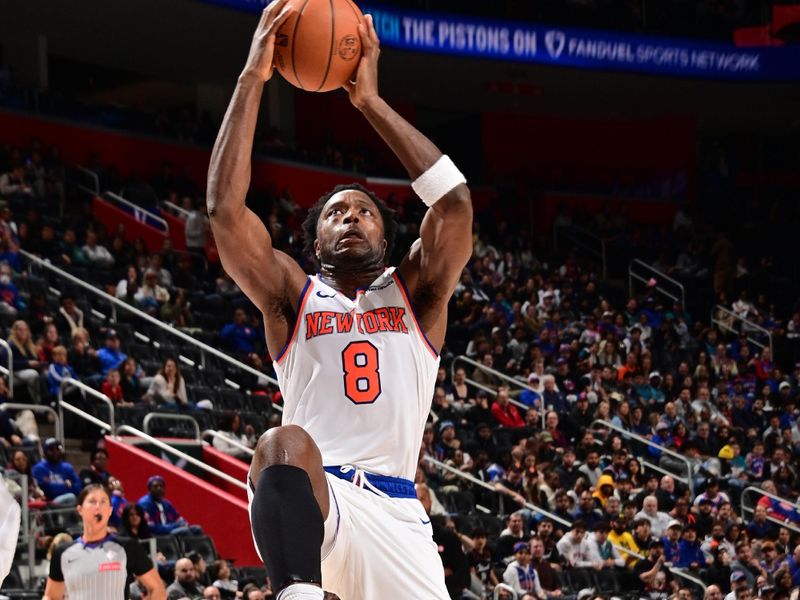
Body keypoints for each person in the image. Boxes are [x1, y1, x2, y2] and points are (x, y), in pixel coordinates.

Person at [207, 2, 472, 599]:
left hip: (399, 514)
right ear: (316, 239)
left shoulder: (419, 293)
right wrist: (252, 78)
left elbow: (454, 205)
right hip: (322, 507)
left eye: (364, 210)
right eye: (335, 212)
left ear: (386, 235)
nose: (350, 217)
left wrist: (369, 103)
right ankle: (298, 593)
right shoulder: (290, 295)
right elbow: (224, 212)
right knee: (282, 442)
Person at [42, 483, 166, 600]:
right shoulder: (63, 553)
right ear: (80, 509)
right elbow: (51, 596)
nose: (98, 507)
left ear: (110, 510)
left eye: (103, 502)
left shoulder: (127, 547)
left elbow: (157, 588)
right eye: (92, 501)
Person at [137, 475, 203, 536]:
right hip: (157, 533)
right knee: (184, 531)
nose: (159, 489)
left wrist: (184, 523)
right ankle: (190, 549)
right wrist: (175, 525)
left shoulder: (166, 503)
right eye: (155, 486)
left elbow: (178, 518)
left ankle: (201, 549)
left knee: (197, 529)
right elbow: (151, 527)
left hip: (170, 529)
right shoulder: (144, 504)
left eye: (161, 486)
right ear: (149, 489)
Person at [32, 437, 82, 505]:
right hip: (48, 503)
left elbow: (78, 487)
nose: (55, 452)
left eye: (58, 448)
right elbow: (48, 491)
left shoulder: (68, 467)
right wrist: (66, 486)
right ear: (45, 452)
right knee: (71, 497)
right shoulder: (39, 468)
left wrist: (54, 485)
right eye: (51, 449)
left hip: (68, 502)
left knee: (72, 498)